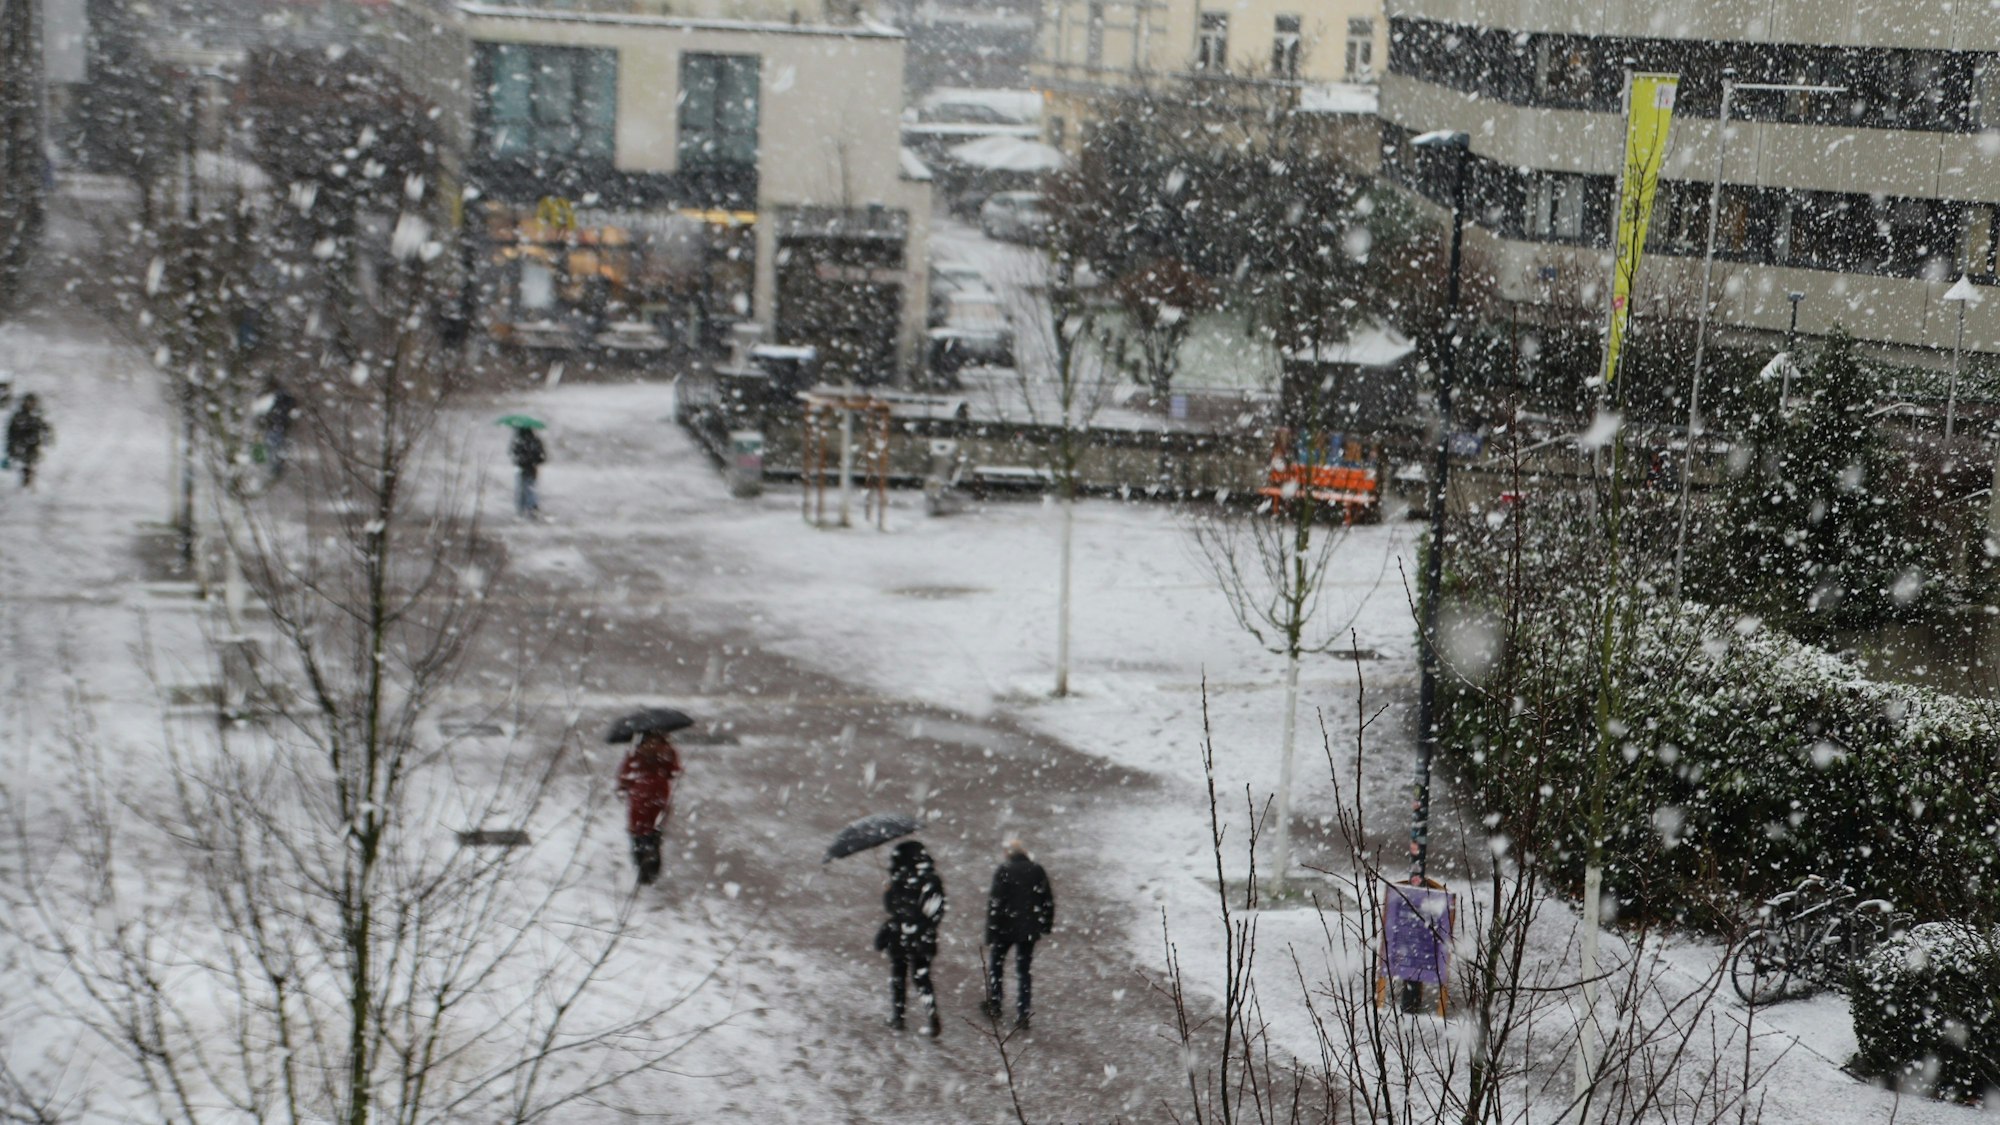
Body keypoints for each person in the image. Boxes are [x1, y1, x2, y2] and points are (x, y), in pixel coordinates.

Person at [982, 838, 1054, 1031]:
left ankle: (995, 1003)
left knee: (996, 965)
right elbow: (1047, 899)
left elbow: (995, 903)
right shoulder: (1037, 870)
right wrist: (1045, 924)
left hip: (1005, 928)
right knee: (1024, 971)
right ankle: (1023, 1013)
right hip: (1028, 930)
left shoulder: (1004, 870)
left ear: (1008, 853)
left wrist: (991, 931)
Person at [879, 840, 946, 1037]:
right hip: (923, 938)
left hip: (900, 936)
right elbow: (937, 911)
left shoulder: (899, 878)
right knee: (922, 977)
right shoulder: (932, 880)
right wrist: (925, 926)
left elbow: (891, 908)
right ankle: (932, 1015)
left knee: (899, 976)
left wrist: (889, 892)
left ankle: (898, 1017)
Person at [615, 732, 682, 885]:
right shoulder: (667, 750)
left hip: (639, 792)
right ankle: (652, 869)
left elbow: (625, 776)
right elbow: (674, 771)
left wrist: (622, 787)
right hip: (659, 793)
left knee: (638, 831)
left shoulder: (635, 752)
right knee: (655, 830)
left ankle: (641, 867)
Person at [6, 393, 50, 489]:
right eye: (29, 402)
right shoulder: (20, 416)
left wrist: (45, 438)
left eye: (33, 402)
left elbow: (44, 428)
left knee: (31, 464)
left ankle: (29, 484)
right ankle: (24, 484)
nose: (31, 404)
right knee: (24, 465)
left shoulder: (36, 416)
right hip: (22, 445)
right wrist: (14, 445)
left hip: (32, 445)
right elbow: (12, 432)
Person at [262, 382, 298, 478]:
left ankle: (275, 469)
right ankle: (277, 468)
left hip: (275, 427)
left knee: (273, 448)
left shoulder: (274, 400)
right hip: (279, 427)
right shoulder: (285, 399)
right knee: (276, 448)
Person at [510, 425, 546, 517]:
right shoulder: (535, 440)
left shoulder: (518, 441)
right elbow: (542, 456)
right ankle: (531, 507)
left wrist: (521, 459)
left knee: (522, 488)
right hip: (532, 468)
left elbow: (513, 453)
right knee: (530, 487)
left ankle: (521, 508)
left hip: (522, 468)